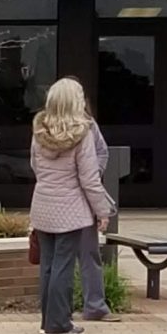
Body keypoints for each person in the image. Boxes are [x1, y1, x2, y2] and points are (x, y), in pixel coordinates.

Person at [28, 77, 114, 334]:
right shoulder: (82, 132)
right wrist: (103, 210)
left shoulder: (39, 131)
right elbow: (89, 179)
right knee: (64, 266)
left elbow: (34, 167)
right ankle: (60, 324)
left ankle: (47, 321)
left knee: (48, 266)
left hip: (42, 206)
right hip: (71, 210)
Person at [75, 111, 115, 321]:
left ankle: (94, 306)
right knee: (56, 261)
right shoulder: (45, 126)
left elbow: (102, 152)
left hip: (81, 201)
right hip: (60, 202)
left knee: (88, 254)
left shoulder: (88, 125)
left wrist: (93, 169)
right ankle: (56, 310)